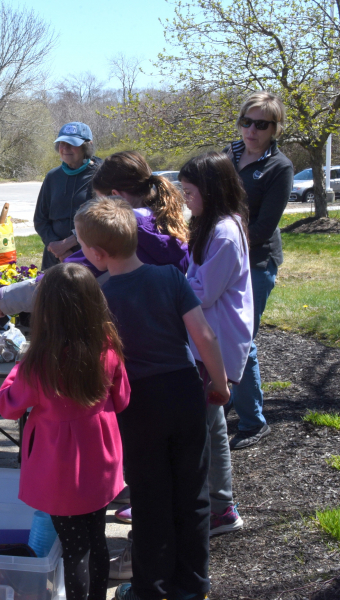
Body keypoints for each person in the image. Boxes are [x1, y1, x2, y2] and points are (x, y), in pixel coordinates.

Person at [73, 197, 230, 600]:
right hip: (183, 392)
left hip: (136, 403)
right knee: (193, 494)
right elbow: (204, 337)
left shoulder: (100, 295)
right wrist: (221, 383)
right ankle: (192, 586)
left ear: (98, 253)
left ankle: (148, 588)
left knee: (148, 496)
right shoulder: (171, 279)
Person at [0, 262, 130, 600]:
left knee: (74, 549)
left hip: (59, 469)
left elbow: (8, 405)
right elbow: (123, 398)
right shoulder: (108, 347)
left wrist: (17, 369)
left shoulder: (40, 362)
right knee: (96, 540)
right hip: (101, 460)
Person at [0, 150, 188, 320]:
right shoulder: (169, 224)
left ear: (116, 196)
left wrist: (4, 299)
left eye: (101, 200)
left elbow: (69, 276)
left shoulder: (119, 230)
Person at [180, 152, 254, 539]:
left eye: (190, 190)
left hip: (217, 344)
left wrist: (166, 287)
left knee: (207, 426)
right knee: (211, 426)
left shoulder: (225, 232)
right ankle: (218, 504)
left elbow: (204, 291)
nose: (184, 196)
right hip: (205, 341)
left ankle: (219, 507)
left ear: (211, 189)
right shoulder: (210, 225)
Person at [225, 91, 293, 450]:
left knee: (241, 340)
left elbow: (263, 227)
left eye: (261, 124)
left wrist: (223, 252)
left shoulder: (279, 167)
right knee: (222, 334)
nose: (251, 130)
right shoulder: (228, 155)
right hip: (221, 257)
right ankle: (230, 399)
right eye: (246, 121)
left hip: (255, 262)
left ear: (275, 128)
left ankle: (253, 422)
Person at [33, 122, 102, 269]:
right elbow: (40, 219)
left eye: (72, 144)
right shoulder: (52, 176)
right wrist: (56, 248)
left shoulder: (101, 174)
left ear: (87, 146)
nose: (65, 148)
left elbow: (103, 219)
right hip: (54, 256)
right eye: (61, 144)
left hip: (88, 255)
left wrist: (68, 244)